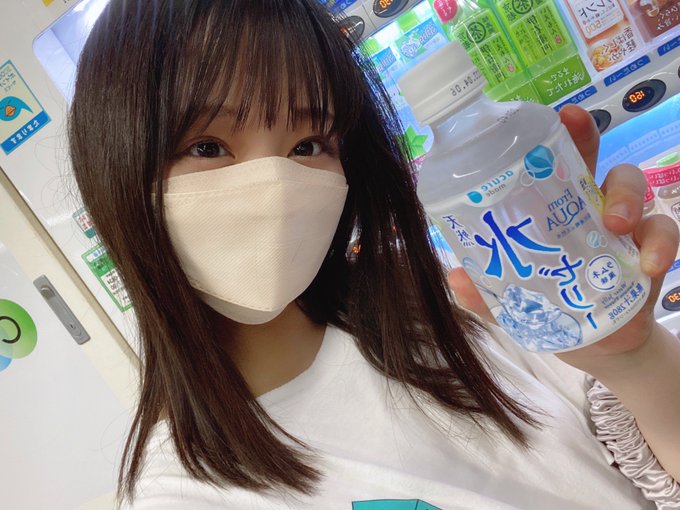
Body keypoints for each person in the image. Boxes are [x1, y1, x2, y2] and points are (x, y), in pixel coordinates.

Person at [68, 1, 680, 508]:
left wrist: (633, 357)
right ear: (115, 172)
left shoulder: (443, 303)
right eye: (206, 146)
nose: (275, 187)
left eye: (309, 143)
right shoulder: (182, 493)